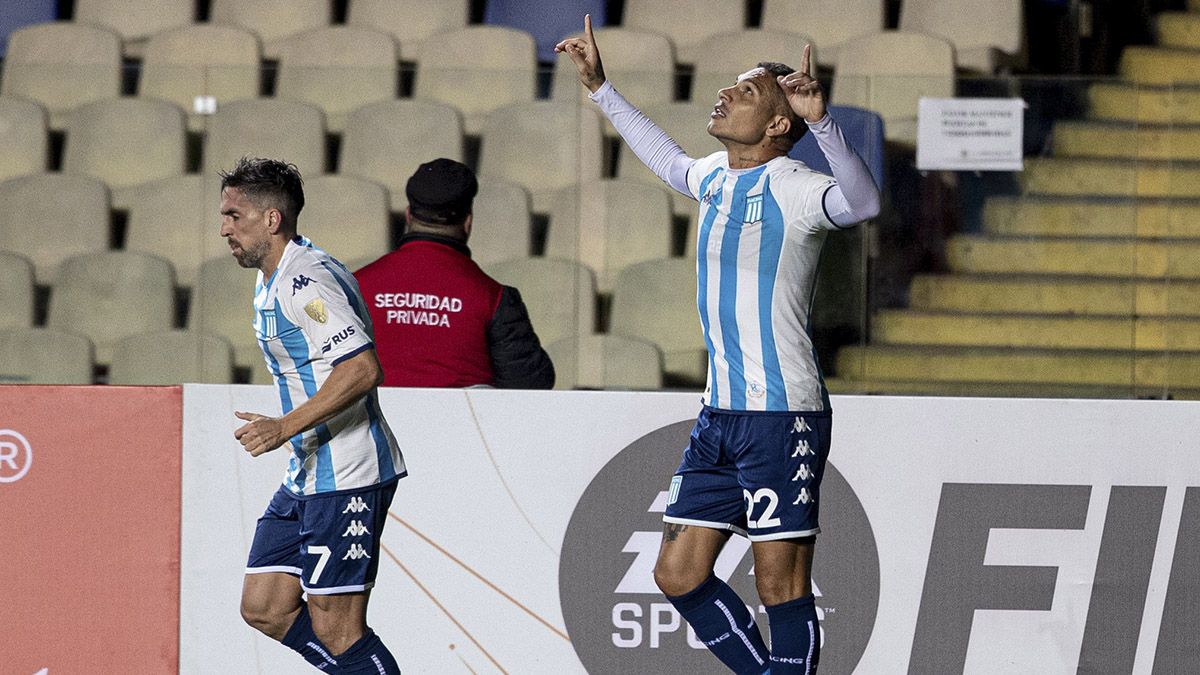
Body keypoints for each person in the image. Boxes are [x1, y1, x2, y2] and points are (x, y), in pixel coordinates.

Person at [557, 16, 880, 674]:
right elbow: (669, 161)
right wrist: (600, 88)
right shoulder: (711, 175)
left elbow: (863, 204)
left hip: (781, 413)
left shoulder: (795, 187)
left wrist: (822, 122)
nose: (727, 95)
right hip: (720, 415)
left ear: (777, 125)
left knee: (779, 587)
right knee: (677, 572)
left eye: (749, 93)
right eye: (729, 86)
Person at [219, 157, 406, 674]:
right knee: (265, 607)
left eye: (235, 216)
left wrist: (283, 427)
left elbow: (363, 369)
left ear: (271, 220)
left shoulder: (307, 282)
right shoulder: (273, 277)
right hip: (307, 472)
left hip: (347, 471)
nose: (224, 228)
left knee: (338, 629)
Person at [354, 157, 555, 389]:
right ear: (468, 222)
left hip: (371, 424)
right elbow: (531, 384)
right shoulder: (494, 297)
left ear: (409, 216)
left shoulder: (355, 286)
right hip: (464, 425)